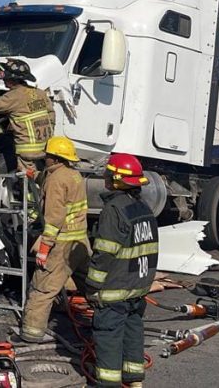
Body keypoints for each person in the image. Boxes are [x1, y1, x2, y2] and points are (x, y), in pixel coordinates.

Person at [85, 153, 159, 388]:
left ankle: (109, 383)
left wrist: (92, 286)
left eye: (108, 174)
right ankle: (134, 380)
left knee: (108, 336)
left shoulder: (114, 210)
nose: (105, 177)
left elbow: (105, 253)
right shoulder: (143, 208)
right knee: (133, 332)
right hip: (137, 287)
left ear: (117, 180)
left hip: (115, 288)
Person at [19, 137, 90, 343]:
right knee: (90, 285)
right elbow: (52, 182)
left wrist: (44, 249)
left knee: (42, 287)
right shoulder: (73, 174)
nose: (45, 158)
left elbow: (54, 218)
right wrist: (34, 176)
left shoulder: (56, 180)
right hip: (80, 242)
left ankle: (31, 332)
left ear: (55, 158)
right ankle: (106, 320)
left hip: (61, 244)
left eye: (48, 156)